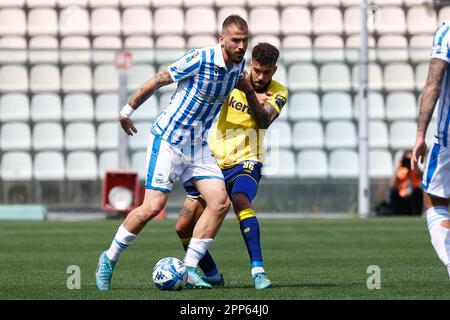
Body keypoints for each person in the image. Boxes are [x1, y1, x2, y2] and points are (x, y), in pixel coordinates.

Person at [95, 15, 249, 291]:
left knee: (220, 202)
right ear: (221, 39)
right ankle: (108, 259)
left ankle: (189, 268)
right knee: (153, 207)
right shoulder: (200, 59)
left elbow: (245, 85)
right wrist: (127, 111)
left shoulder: (238, 68)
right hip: (168, 141)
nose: (241, 46)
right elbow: (159, 80)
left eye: (244, 41)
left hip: (197, 146)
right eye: (236, 40)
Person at [174, 42, 288, 289]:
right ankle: (212, 274)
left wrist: (250, 95)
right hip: (214, 162)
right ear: (250, 65)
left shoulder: (279, 92)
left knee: (239, 200)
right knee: (183, 225)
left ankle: (258, 271)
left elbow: (264, 120)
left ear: (274, 71)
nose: (260, 77)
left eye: (266, 72)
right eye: (256, 70)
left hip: (247, 161)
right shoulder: (233, 79)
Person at [412, 21, 450, 276]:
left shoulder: (447, 32)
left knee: (434, 199)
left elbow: (433, 84)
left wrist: (420, 134)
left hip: (448, 136)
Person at [376, 150, 423, 216]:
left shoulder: (415, 169)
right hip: (401, 195)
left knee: (418, 191)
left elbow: (422, 177)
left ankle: (416, 213)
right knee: (393, 192)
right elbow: (392, 185)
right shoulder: (400, 169)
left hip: (413, 196)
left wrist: (414, 164)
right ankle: (396, 212)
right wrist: (398, 166)